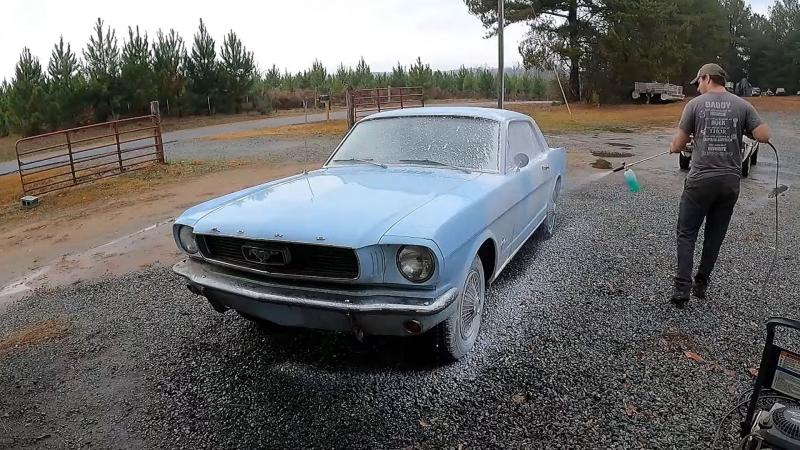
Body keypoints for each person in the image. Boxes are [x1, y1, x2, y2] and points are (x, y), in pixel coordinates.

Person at [668, 63, 771, 307]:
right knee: (714, 235)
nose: (698, 88)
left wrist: (674, 147)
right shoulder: (743, 105)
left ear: (706, 78)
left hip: (700, 181)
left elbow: (679, 143)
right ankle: (701, 284)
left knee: (687, 233)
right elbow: (764, 136)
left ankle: (682, 290)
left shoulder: (694, 105)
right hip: (729, 183)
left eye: (699, 82)